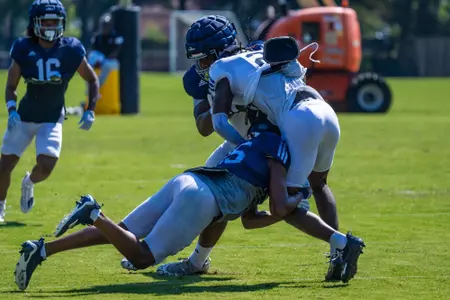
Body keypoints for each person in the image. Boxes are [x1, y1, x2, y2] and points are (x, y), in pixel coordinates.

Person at [14, 118, 364, 291]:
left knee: (121, 233)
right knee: (141, 257)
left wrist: (283, 210)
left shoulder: (253, 141)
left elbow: (251, 219)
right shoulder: (278, 147)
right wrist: (295, 199)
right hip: (203, 198)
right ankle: (94, 212)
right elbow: (276, 204)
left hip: (190, 180)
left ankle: (41, 250)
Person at [144, 14, 305, 277]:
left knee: (294, 197)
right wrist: (218, 99)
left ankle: (337, 245)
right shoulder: (199, 78)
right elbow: (204, 127)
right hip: (238, 139)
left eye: (207, 58)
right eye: (197, 60)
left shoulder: (258, 55)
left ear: (225, 49)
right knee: (208, 194)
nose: (202, 66)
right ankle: (197, 261)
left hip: (274, 139)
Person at [208, 36, 343, 280]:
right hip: (327, 112)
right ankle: (339, 252)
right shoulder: (289, 70)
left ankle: (341, 242)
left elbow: (218, 122)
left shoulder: (225, 67)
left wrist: (245, 147)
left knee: (284, 205)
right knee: (320, 184)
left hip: (299, 120)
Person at [0, 0, 99, 223]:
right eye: (46, 22)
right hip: (24, 117)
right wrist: (11, 109)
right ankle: (0, 207)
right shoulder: (24, 48)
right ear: (35, 24)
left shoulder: (71, 49)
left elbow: (92, 79)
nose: (51, 27)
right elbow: (11, 85)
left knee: (46, 166)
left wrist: (90, 109)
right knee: (4, 166)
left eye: (55, 22)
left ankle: (29, 183)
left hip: (51, 119)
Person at [87, 13, 123, 87]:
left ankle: (97, 85)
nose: (104, 27)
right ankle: (89, 87)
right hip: (100, 58)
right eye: (103, 25)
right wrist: (97, 61)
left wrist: (103, 61)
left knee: (108, 65)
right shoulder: (97, 37)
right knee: (89, 64)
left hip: (110, 60)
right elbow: (93, 50)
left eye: (106, 25)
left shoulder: (116, 36)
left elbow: (117, 50)